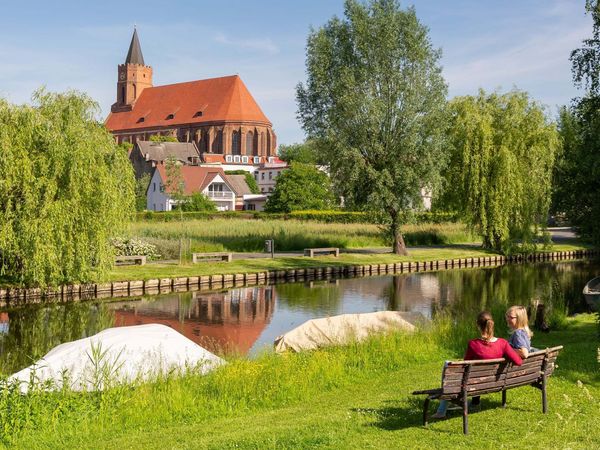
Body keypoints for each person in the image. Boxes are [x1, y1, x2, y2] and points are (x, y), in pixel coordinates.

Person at [432, 311, 522, 419]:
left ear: (478, 325)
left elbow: (465, 365)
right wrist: (506, 354)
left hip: (476, 382)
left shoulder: (473, 344)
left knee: (452, 377)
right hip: (495, 381)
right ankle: (475, 403)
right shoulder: (503, 343)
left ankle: (441, 412)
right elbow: (518, 361)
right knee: (473, 373)